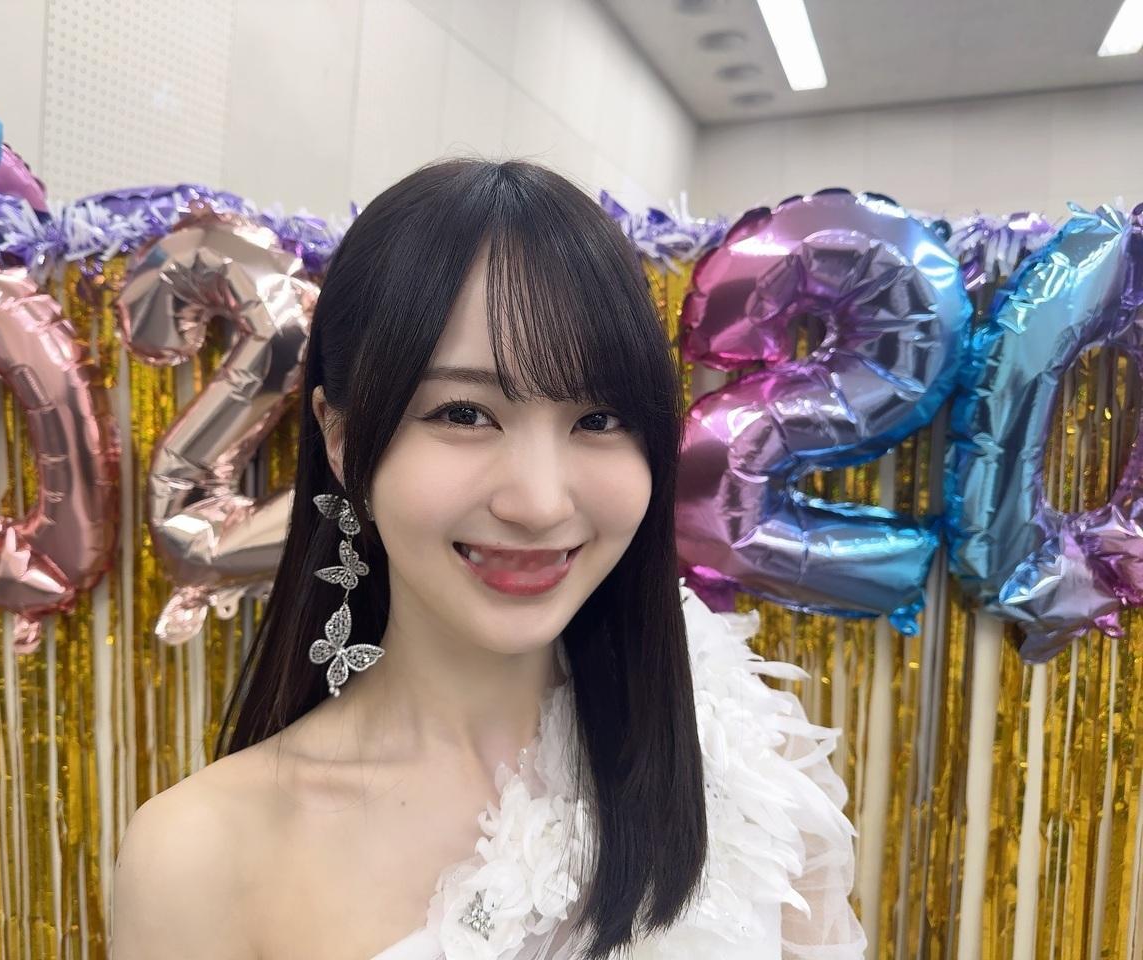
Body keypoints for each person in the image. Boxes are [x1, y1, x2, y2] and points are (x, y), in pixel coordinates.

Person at [109, 158, 867, 960]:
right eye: (464, 413)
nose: (539, 503)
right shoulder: (204, 854)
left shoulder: (742, 752)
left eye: (599, 419)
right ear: (341, 438)